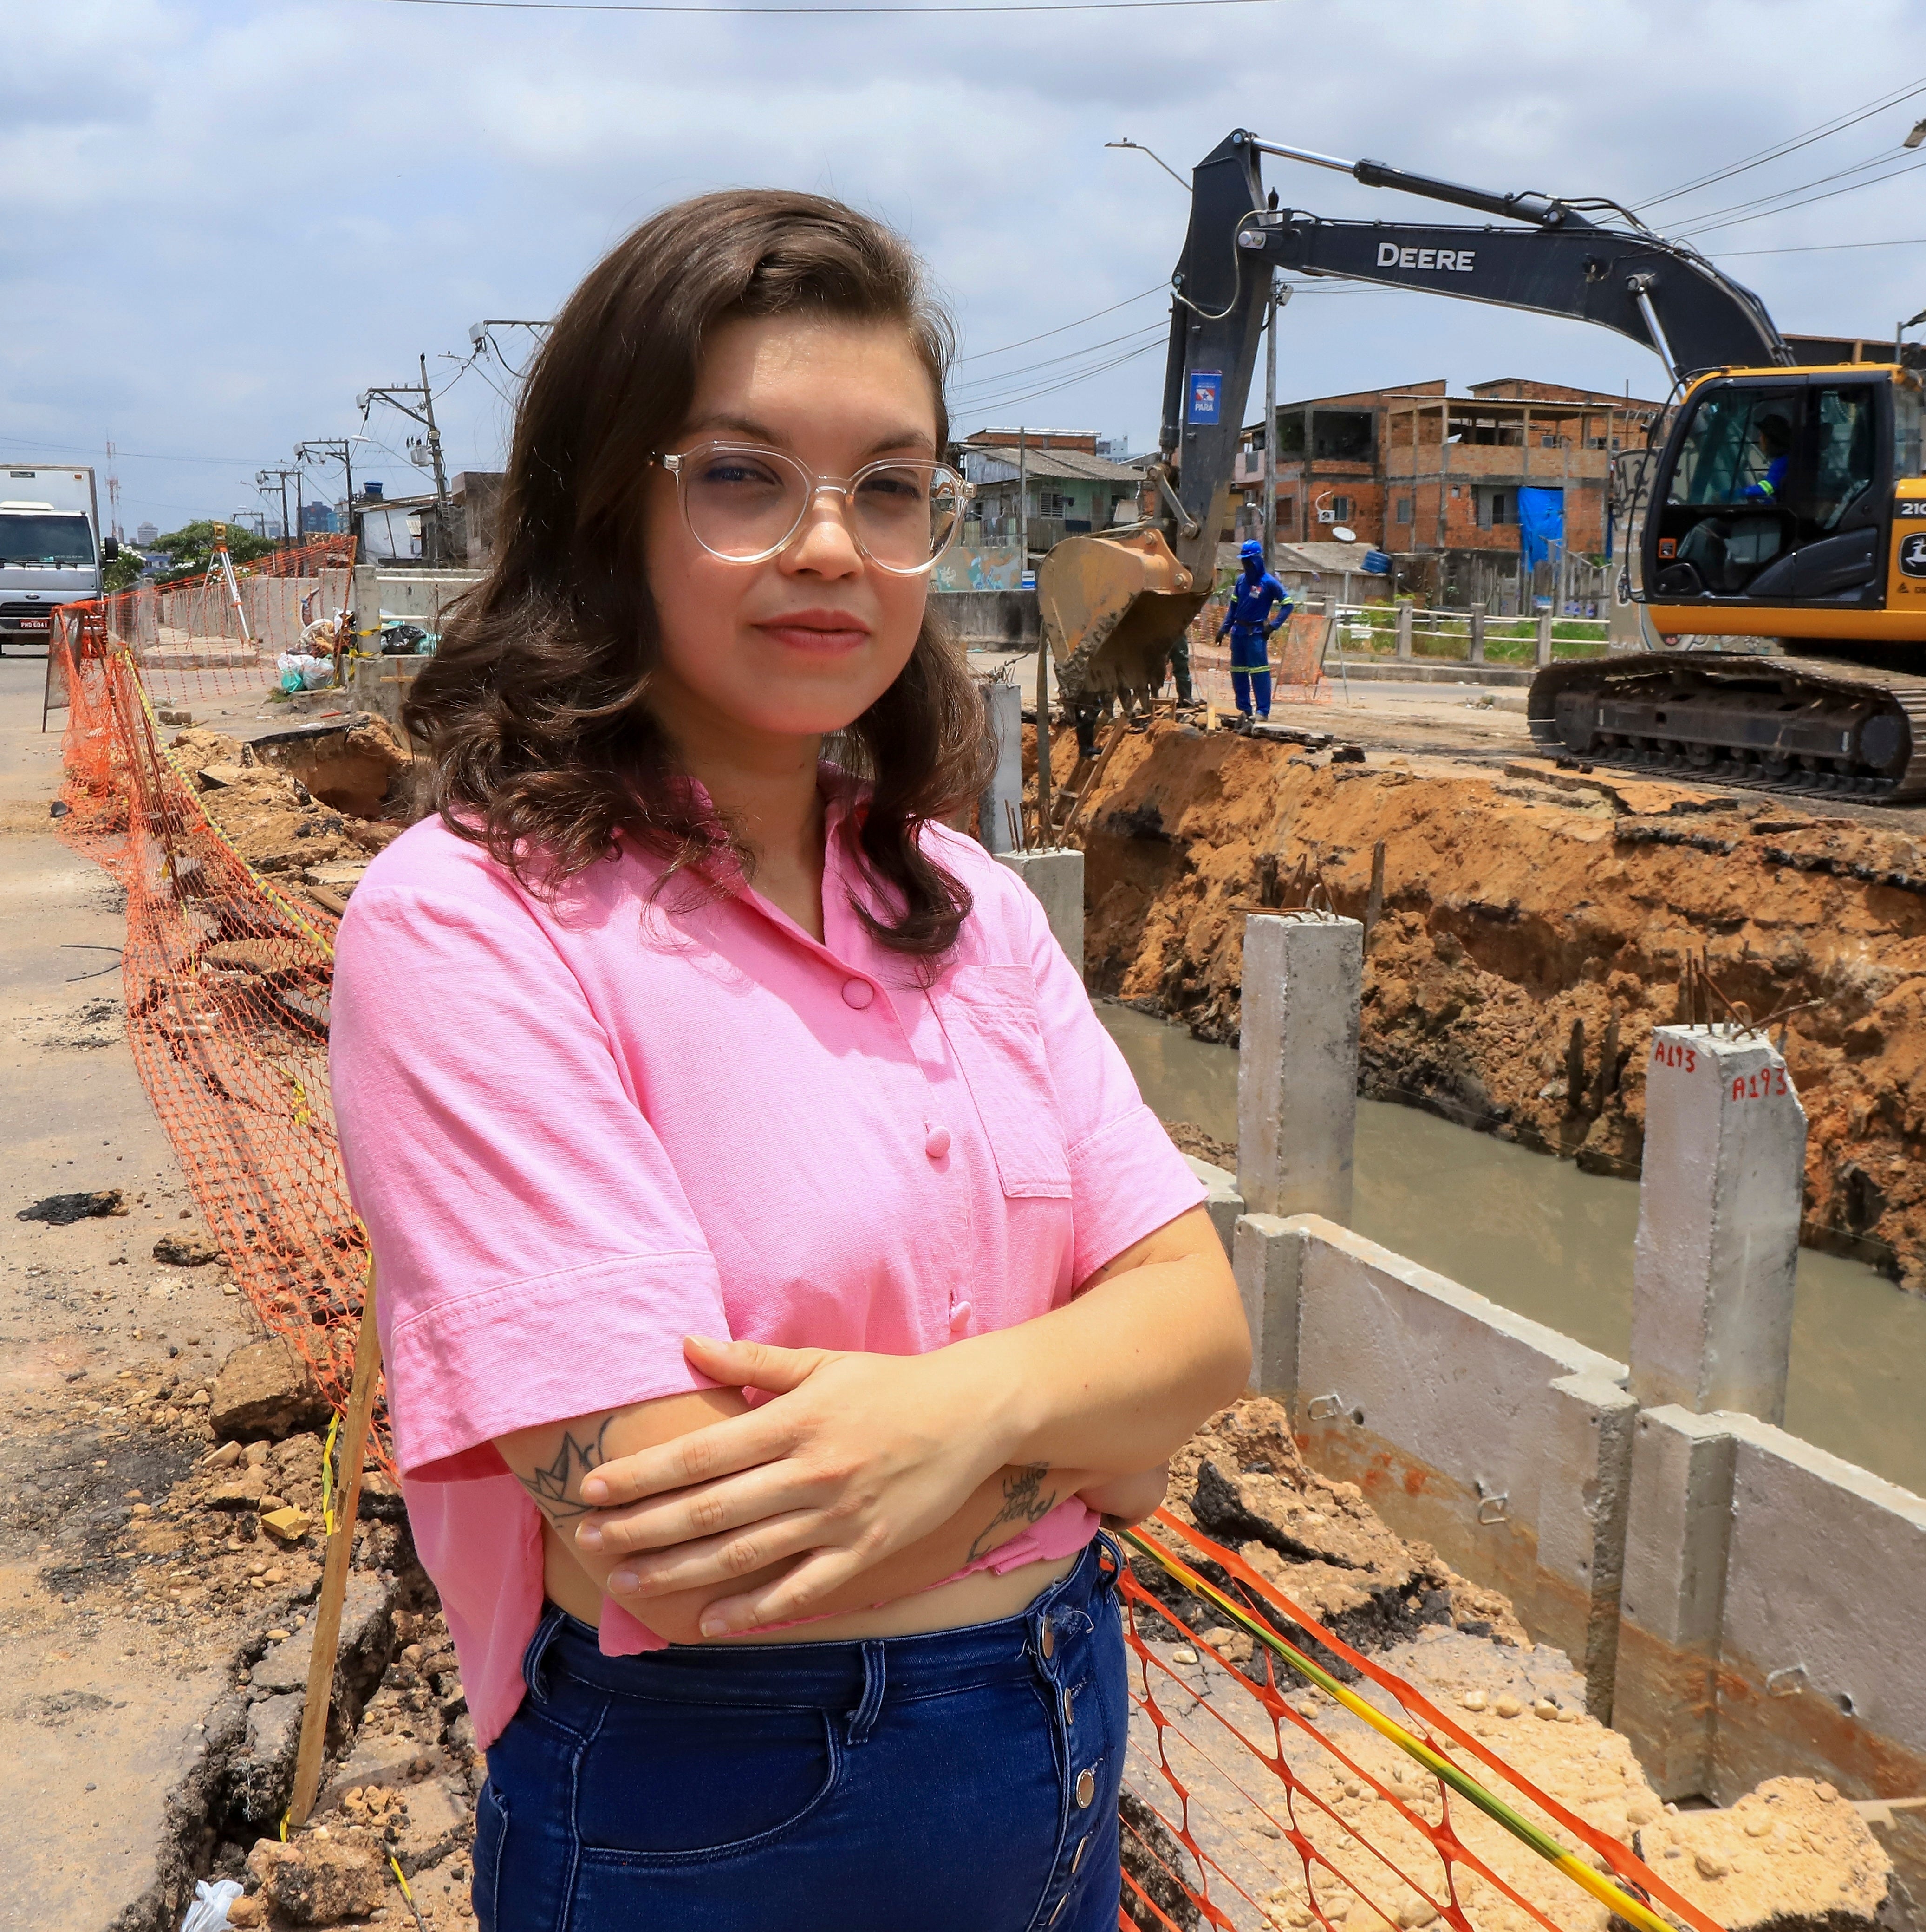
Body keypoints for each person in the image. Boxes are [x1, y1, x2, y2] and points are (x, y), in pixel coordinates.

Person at [330, 190, 1253, 1932]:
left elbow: (1200, 1326)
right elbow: (673, 1553)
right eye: (744, 477)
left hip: (1061, 1733)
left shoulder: (962, 900)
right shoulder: (471, 925)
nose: (834, 545)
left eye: (890, 488)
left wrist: (967, 1417)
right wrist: (1097, 1443)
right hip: (724, 1806)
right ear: (606, 510)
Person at [1218, 537, 1292, 718]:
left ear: (1257, 560)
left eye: (1249, 561)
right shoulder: (1241, 581)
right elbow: (1233, 608)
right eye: (1244, 561)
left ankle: (1262, 711)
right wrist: (1224, 629)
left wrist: (1273, 626)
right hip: (1238, 633)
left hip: (1256, 634)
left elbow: (1288, 604)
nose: (1246, 565)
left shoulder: (1269, 582)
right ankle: (1244, 710)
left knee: (1259, 672)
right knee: (1238, 672)